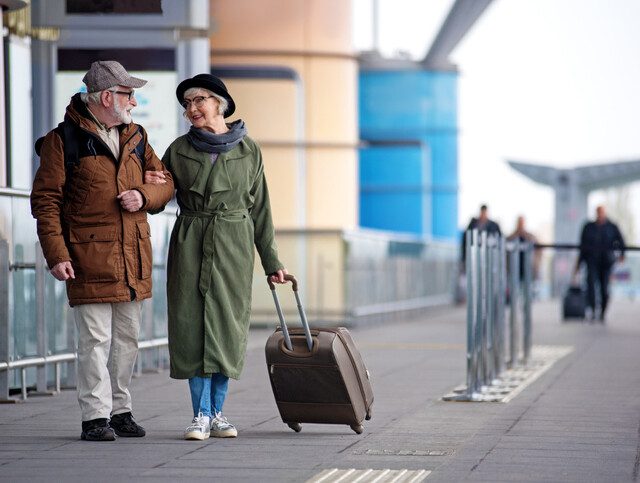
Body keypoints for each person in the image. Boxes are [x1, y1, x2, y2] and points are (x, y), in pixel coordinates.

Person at [30, 60, 175, 441]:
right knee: (95, 340)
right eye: (129, 94)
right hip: (86, 257)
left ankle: (121, 409)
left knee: (127, 339)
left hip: (132, 256)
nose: (135, 102)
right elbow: (45, 201)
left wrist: (144, 193)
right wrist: (57, 254)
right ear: (107, 97)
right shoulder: (62, 141)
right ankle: (95, 417)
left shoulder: (137, 136)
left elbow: (167, 186)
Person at [144, 74, 287, 441]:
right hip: (191, 239)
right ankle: (199, 415)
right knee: (190, 323)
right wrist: (146, 190)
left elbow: (262, 211)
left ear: (219, 103)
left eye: (199, 101)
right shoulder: (177, 149)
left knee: (226, 325)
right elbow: (159, 196)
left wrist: (273, 264)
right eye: (187, 104)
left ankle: (218, 412)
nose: (192, 109)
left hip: (233, 245)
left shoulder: (249, 150)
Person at [573, 205, 625, 322]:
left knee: (604, 288)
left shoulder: (612, 227)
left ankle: (602, 312)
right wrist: (578, 264)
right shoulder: (588, 227)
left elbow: (621, 241)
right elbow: (582, 247)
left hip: (606, 263)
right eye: (598, 212)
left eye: (601, 212)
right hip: (591, 261)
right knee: (590, 286)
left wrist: (622, 255)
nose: (600, 215)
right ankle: (592, 309)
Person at [460, 204, 502, 269]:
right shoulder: (473, 224)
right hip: (475, 255)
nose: (483, 215)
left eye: (485, 213)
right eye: (482, 212)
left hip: (489, 255)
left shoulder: (494, 225)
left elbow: (499, 239)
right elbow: (466, 239)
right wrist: (464, 257)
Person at [506, 215, 542, 281]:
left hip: (528, 269)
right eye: (519, 223)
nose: (520, 225)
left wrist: (536, 263)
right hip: (513, 269)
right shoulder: (510, 238)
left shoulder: (531, 237)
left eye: (522, 223)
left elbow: (539, 250)